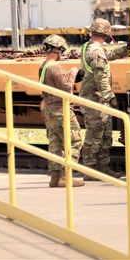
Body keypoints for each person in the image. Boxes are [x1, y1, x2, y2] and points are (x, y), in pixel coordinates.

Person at [80, 18, 130, 180]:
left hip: (95, 98)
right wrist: (110, 96)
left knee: (104, 134)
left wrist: (126, 49)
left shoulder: (90, 47)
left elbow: (109, 56)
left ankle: (102, 167)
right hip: (96, 99)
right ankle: (91, 169)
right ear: (106, 33)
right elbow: (100, 76)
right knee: (96, 134)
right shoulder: (96, 51)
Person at [39, 34, 85, 188]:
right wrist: (72, 73)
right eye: (61, 50)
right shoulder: (55, 66)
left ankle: (55, 177)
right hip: (61, 109)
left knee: (55, 143)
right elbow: (66, 87)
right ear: (57, 49)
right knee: (74, 140)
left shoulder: (43, 66)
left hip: (49, 109)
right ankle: (67, 176)